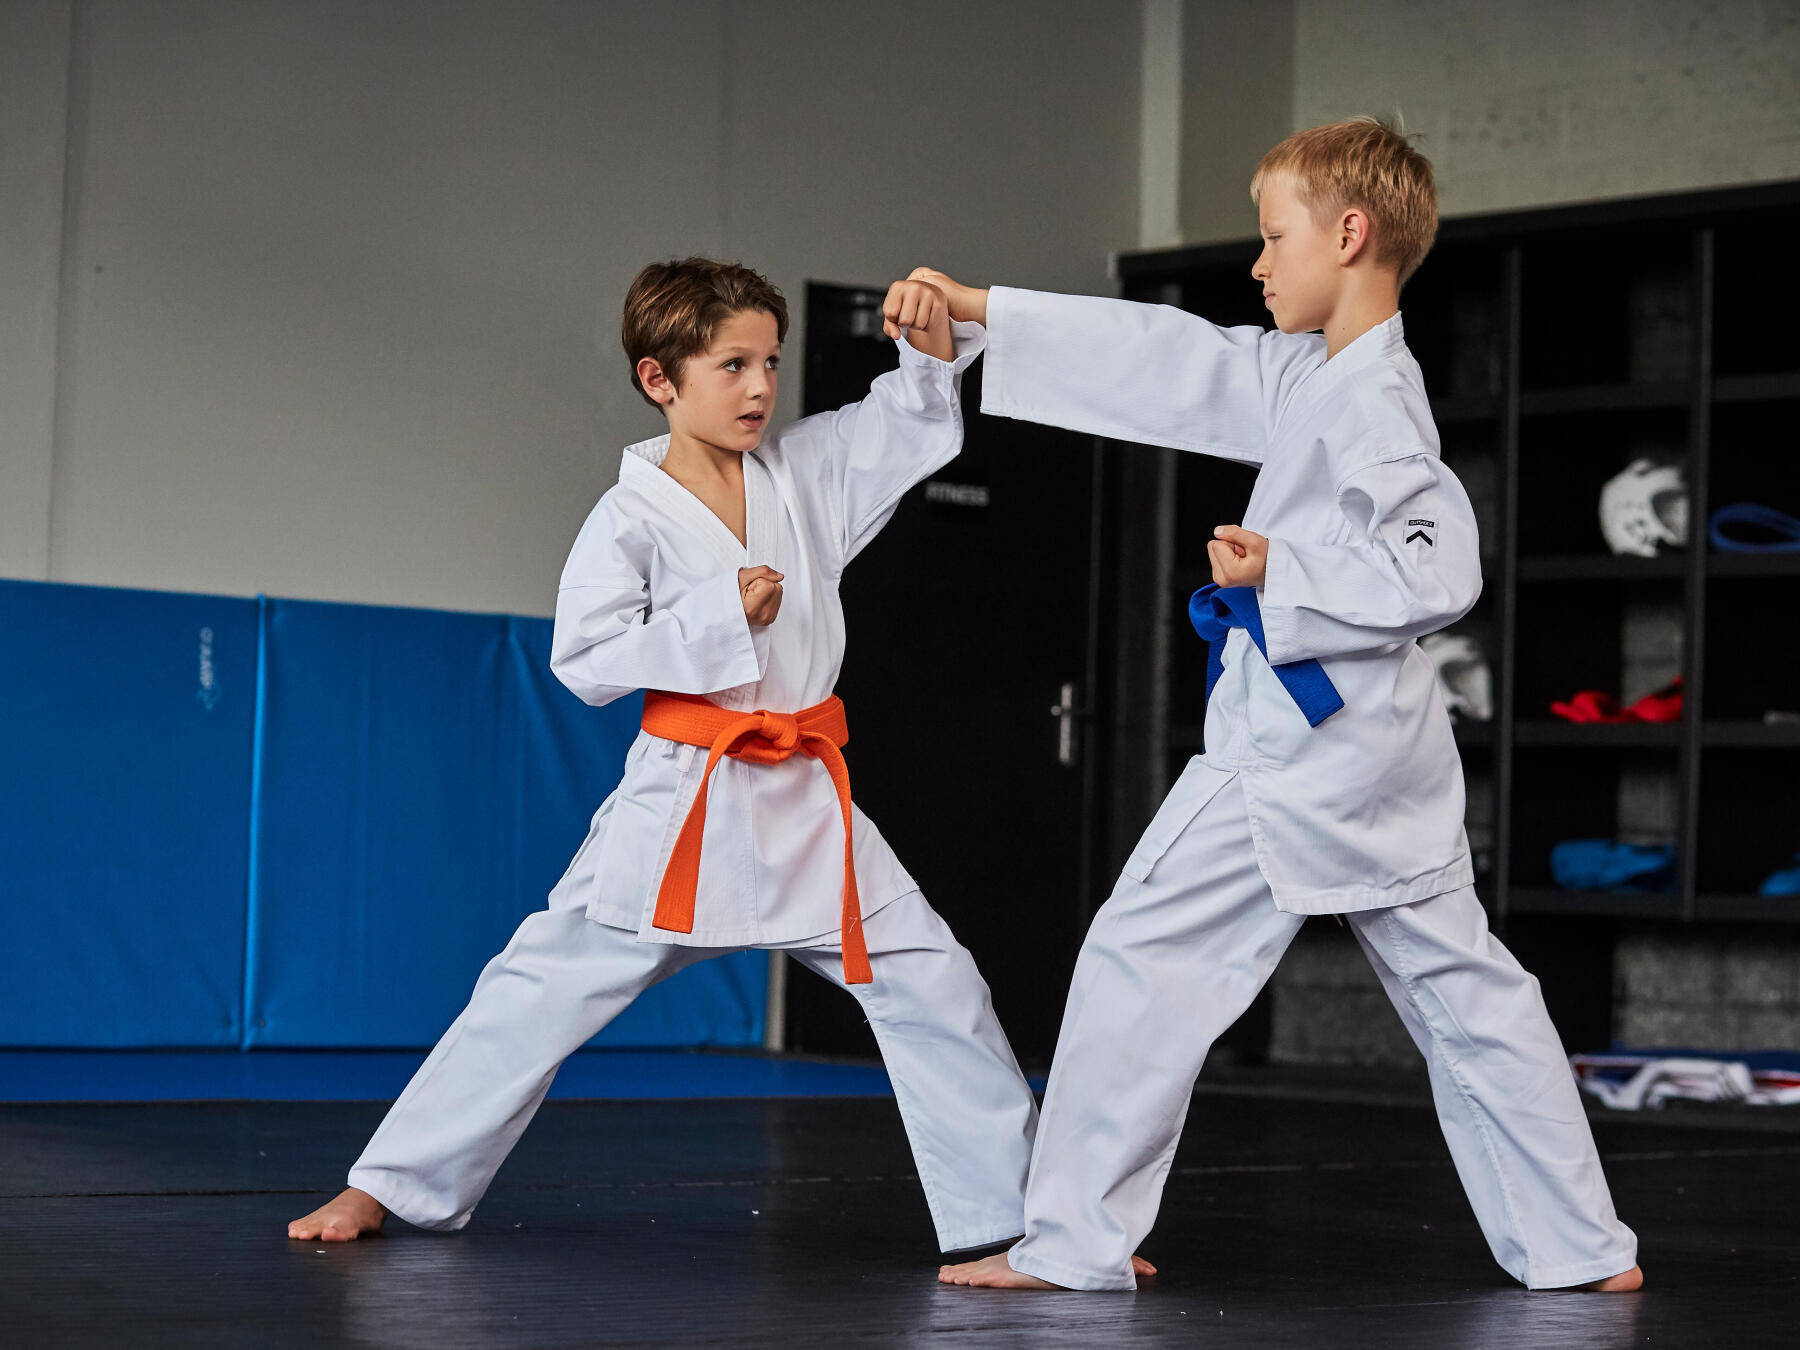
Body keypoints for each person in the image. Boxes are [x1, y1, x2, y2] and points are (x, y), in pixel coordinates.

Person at [930, 117, 1643, 1294]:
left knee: (1138, 958)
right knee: (1466, 994)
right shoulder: (1320, 375)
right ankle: (1577, 1249)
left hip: (1301, 756)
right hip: (1373, 758)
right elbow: (1173, 361)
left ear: (1350, 234)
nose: (1258, 266)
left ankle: (1074, 1243)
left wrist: (1283, 576)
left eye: (1274, 238)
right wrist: (989, 308)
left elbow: (1440, 566)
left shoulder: (1375, 404)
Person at [287, 258, 1041, 1255]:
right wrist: (720, 611)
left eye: (771, 362)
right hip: (685, 801)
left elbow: (901, 424)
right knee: (538, 988)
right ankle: (386, 1185)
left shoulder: (805, 474)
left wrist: (931, 348)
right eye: (731, 366)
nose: (762, 387)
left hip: (810, 799)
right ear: (660, 380)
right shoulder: (628, 517)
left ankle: (1028, 1226)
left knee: (940, 986)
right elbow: (586, 659)